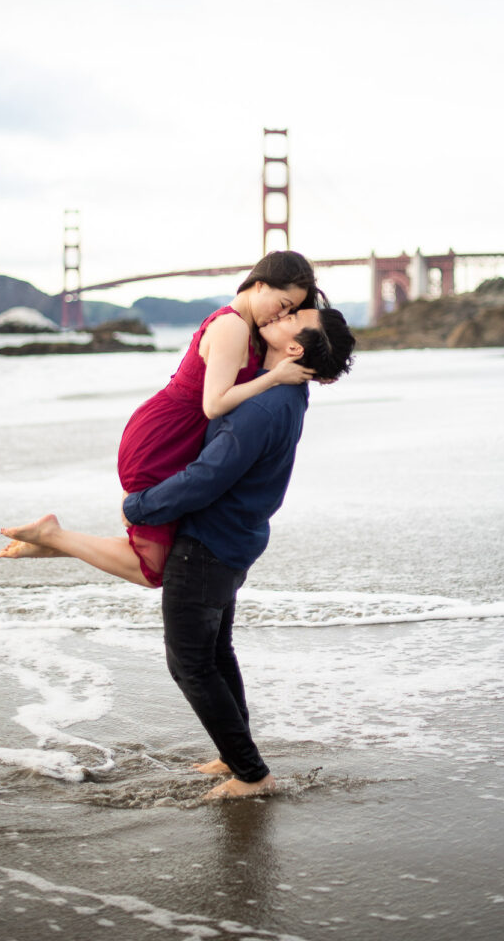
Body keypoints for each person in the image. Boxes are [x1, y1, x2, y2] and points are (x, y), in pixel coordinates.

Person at [121, 306, 356, 800]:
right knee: (215, 653)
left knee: (188, 663)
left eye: (296, 315)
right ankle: (234, 754)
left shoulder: (262, 406)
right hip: (234, 538)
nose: (283, 311)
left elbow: (208, 476)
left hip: (208, 544)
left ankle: (252, 775)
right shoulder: (283, 391)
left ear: (295, 349)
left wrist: (141, 505)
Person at [0, 251, 326, 586]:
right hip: (164, 436)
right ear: (259, 285)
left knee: (159, 553)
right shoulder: (232, 326)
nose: (283, 314)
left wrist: (322, 364)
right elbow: (214, 405)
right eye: (283, 303)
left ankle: (56, 543)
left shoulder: (247, 328)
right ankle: (53, 536)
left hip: (180, 436)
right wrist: (274, 378)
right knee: (151, 569)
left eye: (290, 311)